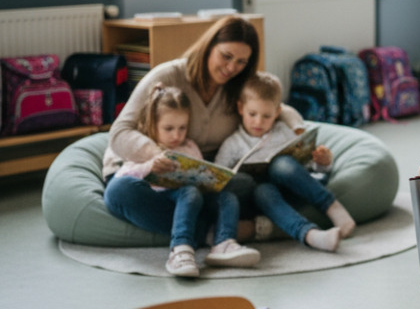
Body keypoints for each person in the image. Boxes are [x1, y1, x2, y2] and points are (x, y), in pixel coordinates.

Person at [103, 15, 305, 240]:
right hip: (144, 172)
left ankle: (213, 225)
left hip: (200, 178)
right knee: (120, 193)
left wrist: (299, 129)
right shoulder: (168, 75)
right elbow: (119, 132)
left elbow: (278, 107)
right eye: (226, 56)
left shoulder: (239, 83)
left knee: (255, 184)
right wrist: (158, 155)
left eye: (241, 62)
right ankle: (228, 231)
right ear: (209, 46)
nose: (232, 67)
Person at [107, 84, 259, 277]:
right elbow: (124, 176)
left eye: (182, 128)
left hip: (193, 202)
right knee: (187, 192)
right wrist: (150, 167)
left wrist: (211, 180)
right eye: (169, 128)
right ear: (152, 124)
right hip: (161, 201)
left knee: (227, 197)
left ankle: (224, 243)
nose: (176, 135)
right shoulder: (145, 146)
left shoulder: (189, 146)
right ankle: (181, 249)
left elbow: (201, 173)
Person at [215, 72, 356, 252]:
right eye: (252, 114)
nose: (258, 121)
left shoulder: (283, 132)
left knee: (281, 165)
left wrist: (323, 162)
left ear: (277, 113)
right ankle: (311, 235)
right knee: (262, 191)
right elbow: (218, 177)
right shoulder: (232, 144)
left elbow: (307, 168)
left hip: (294, 189)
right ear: (240, 108)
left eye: (267, 116)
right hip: (263, 201)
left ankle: (331, 206)